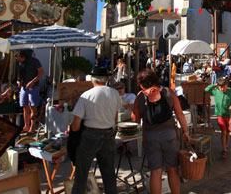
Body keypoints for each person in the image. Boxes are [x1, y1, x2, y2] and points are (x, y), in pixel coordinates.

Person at [131, 69, 190, 194]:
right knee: (172, 169)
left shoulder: (140, 96)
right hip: (170, 135)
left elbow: (135, 118)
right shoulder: (168, 92)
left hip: (150, 137)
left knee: (155, 171)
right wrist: (186, 131)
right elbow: (180, 114)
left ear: (142, 84)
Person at [68, 66, 121, 194]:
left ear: (93, 79)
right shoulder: (114, 93)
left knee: (81, 174)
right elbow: (115, 117)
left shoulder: (86, 95)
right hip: (108, 133)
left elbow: (75, 125)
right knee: (109, 174)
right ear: (106, 79)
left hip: (90, 135)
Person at [205, 78, 231, 159]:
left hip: (228, 116)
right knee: (224, 132)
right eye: (220, 87)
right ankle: (224, 149)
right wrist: (215, 85)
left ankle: (226, 145)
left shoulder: (230, 92)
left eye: (224, 87)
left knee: (228, 132)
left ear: (227, 85)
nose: (222, 88)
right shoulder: (215, 91)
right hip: (220, 115)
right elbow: (206, 89)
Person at [15, 50, 43, 133]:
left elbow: (41, 73)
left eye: (18, 58)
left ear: (22, 56)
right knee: (24, 106)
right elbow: (20, 75)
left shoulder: (35, 61)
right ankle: (26, 126)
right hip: (23, 87)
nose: (17, 60)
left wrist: (32, 82)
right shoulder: (20, 63)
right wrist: (18, 81)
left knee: (33, 108)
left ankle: (32, 127)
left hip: (33, 87)